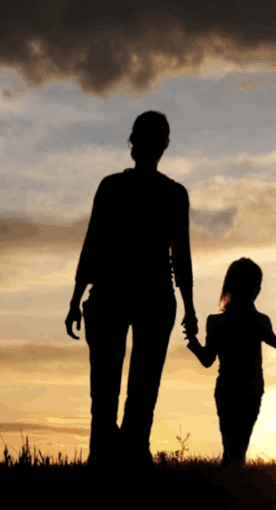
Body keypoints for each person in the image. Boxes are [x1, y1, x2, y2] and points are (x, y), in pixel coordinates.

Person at [64, 110, 198, 470]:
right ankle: (122, 455)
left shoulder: (124, 188)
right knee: (132, 386)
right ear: (160, 145)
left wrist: (76, 298)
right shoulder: (161, 192)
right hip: (129, 295)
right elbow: (178, 257)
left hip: (133, 294)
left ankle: (119, 455)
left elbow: (94, 246)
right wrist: (189, 307)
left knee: (116, 385)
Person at [185, 258, 276, 468]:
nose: (253, 289)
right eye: (252, 284)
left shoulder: (217, 322)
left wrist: (193, 341)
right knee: (237, 447)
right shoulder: (258, 321)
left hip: (232, 392)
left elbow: (206, 359)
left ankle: (229, 484)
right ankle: (235, 485)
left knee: (232, 447)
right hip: (247, 391)